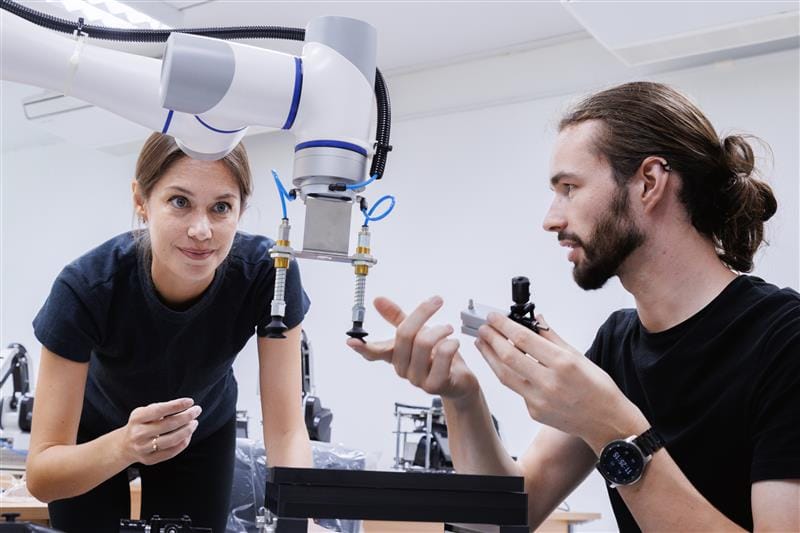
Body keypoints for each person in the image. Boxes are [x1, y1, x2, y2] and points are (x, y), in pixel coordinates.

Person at [348, 82, 799, 531]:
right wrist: (461, 398)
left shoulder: (785, 339)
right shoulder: (617, 343)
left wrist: (615, 430)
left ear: (649, 182)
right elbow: (504, 519)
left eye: (569, 187)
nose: (551, 219)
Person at [27, 133, 312, 532]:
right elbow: (41, 475)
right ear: (141, 201)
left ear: (241, 210)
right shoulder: (86, 288)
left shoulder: (267, 275)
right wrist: (125, 445)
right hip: (95, 437)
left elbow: (285, 428)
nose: (201, 230)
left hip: (200, 434)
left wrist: (299, 519)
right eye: (180, 202)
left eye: (221, 208)